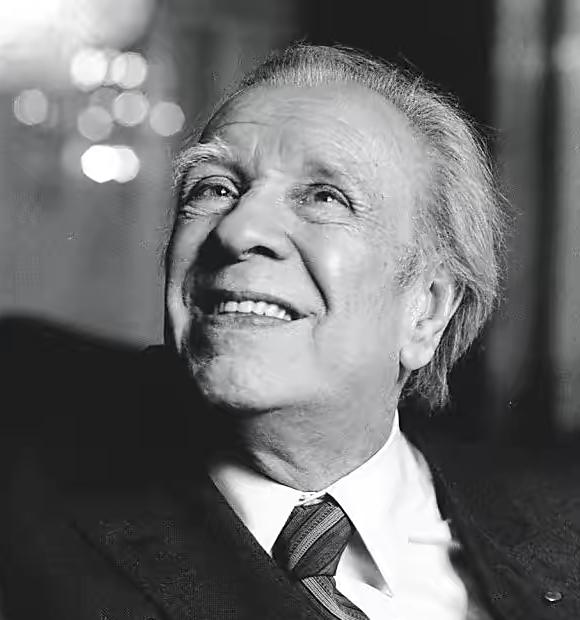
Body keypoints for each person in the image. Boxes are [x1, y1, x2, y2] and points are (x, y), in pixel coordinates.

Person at [0, 43, 579, 620]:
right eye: (213, 189)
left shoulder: (562, 525)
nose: (239, 229)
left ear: (425, 311)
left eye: (325, 196)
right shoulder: (27, 540)